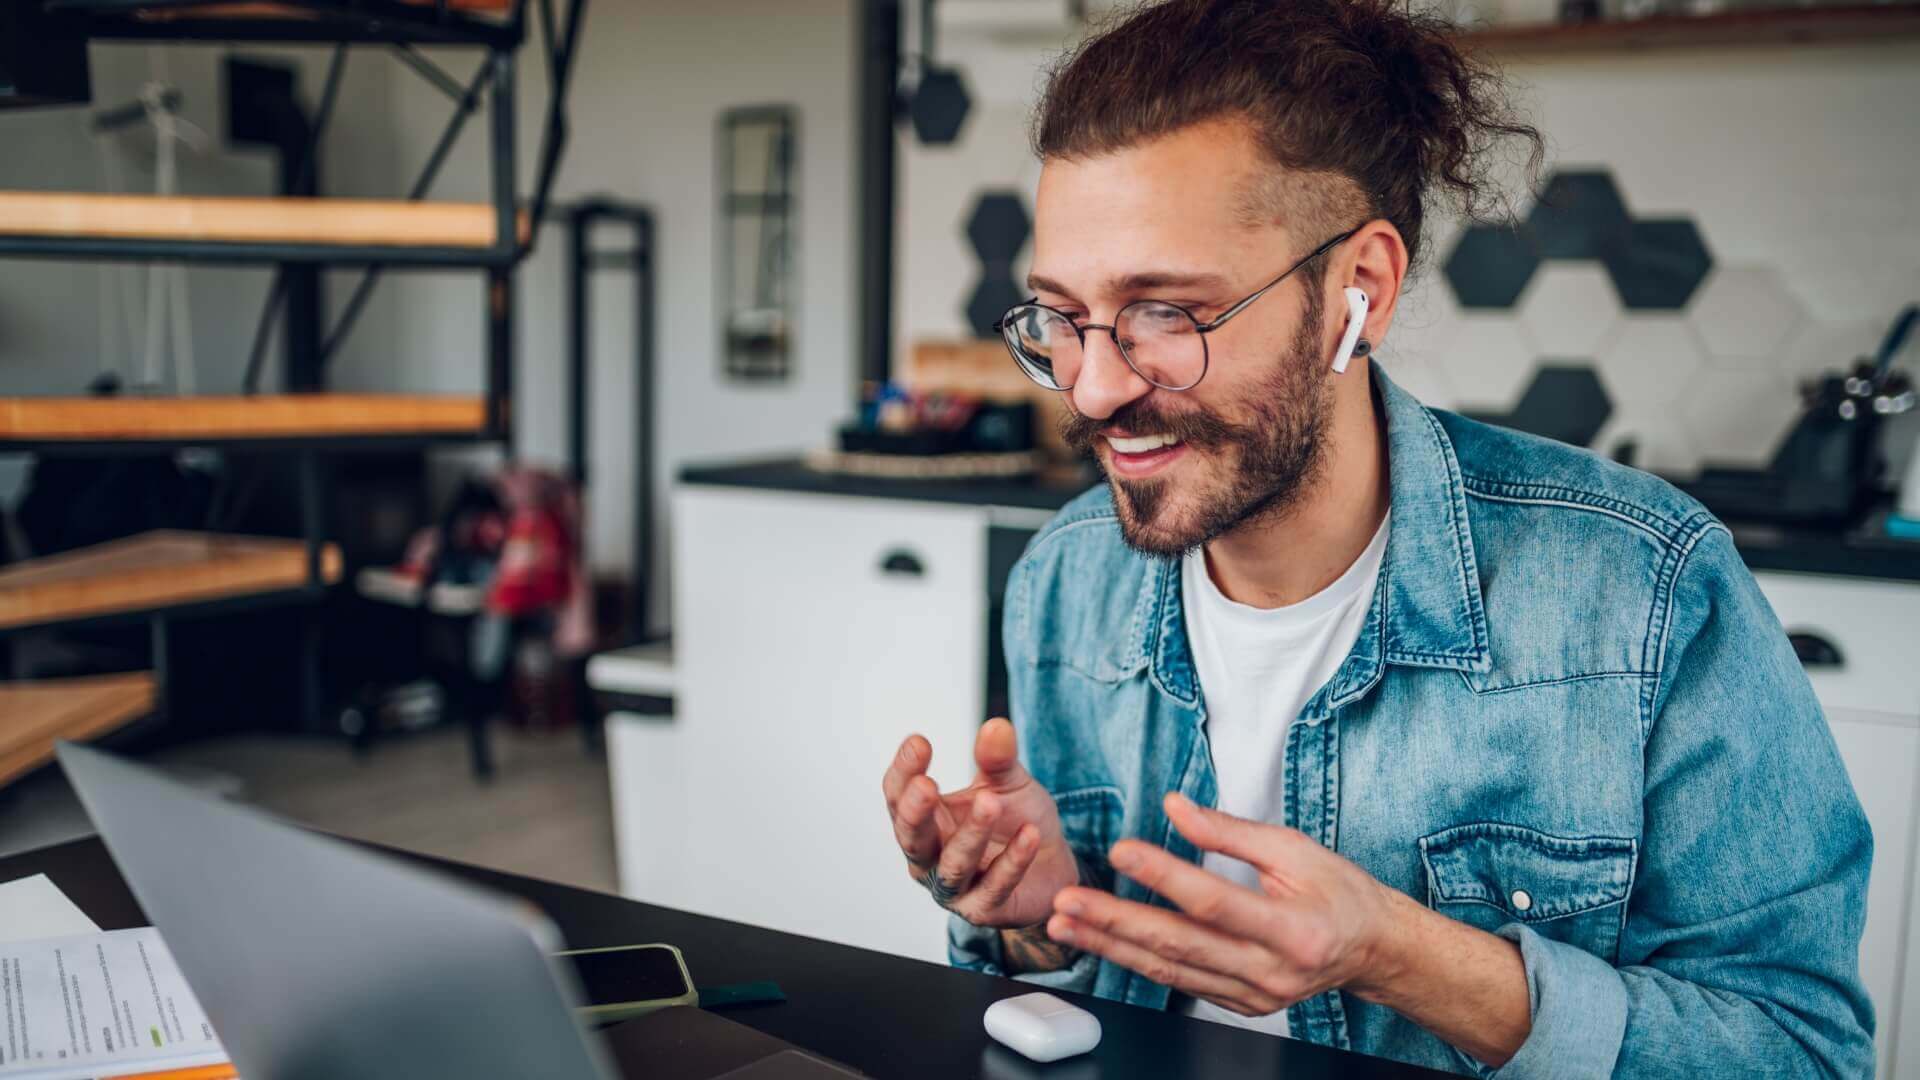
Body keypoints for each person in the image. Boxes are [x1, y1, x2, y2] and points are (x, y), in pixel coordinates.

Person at [878, 0, 1875, 1075]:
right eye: (1063, 317)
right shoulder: (1070, 579)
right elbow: (1063, 1017)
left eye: (1167, 312)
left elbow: (1802, 1050)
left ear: (1360, 290)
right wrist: (1035, 922)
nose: (1097, 385)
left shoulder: (1642, 590)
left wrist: (1399, 957)